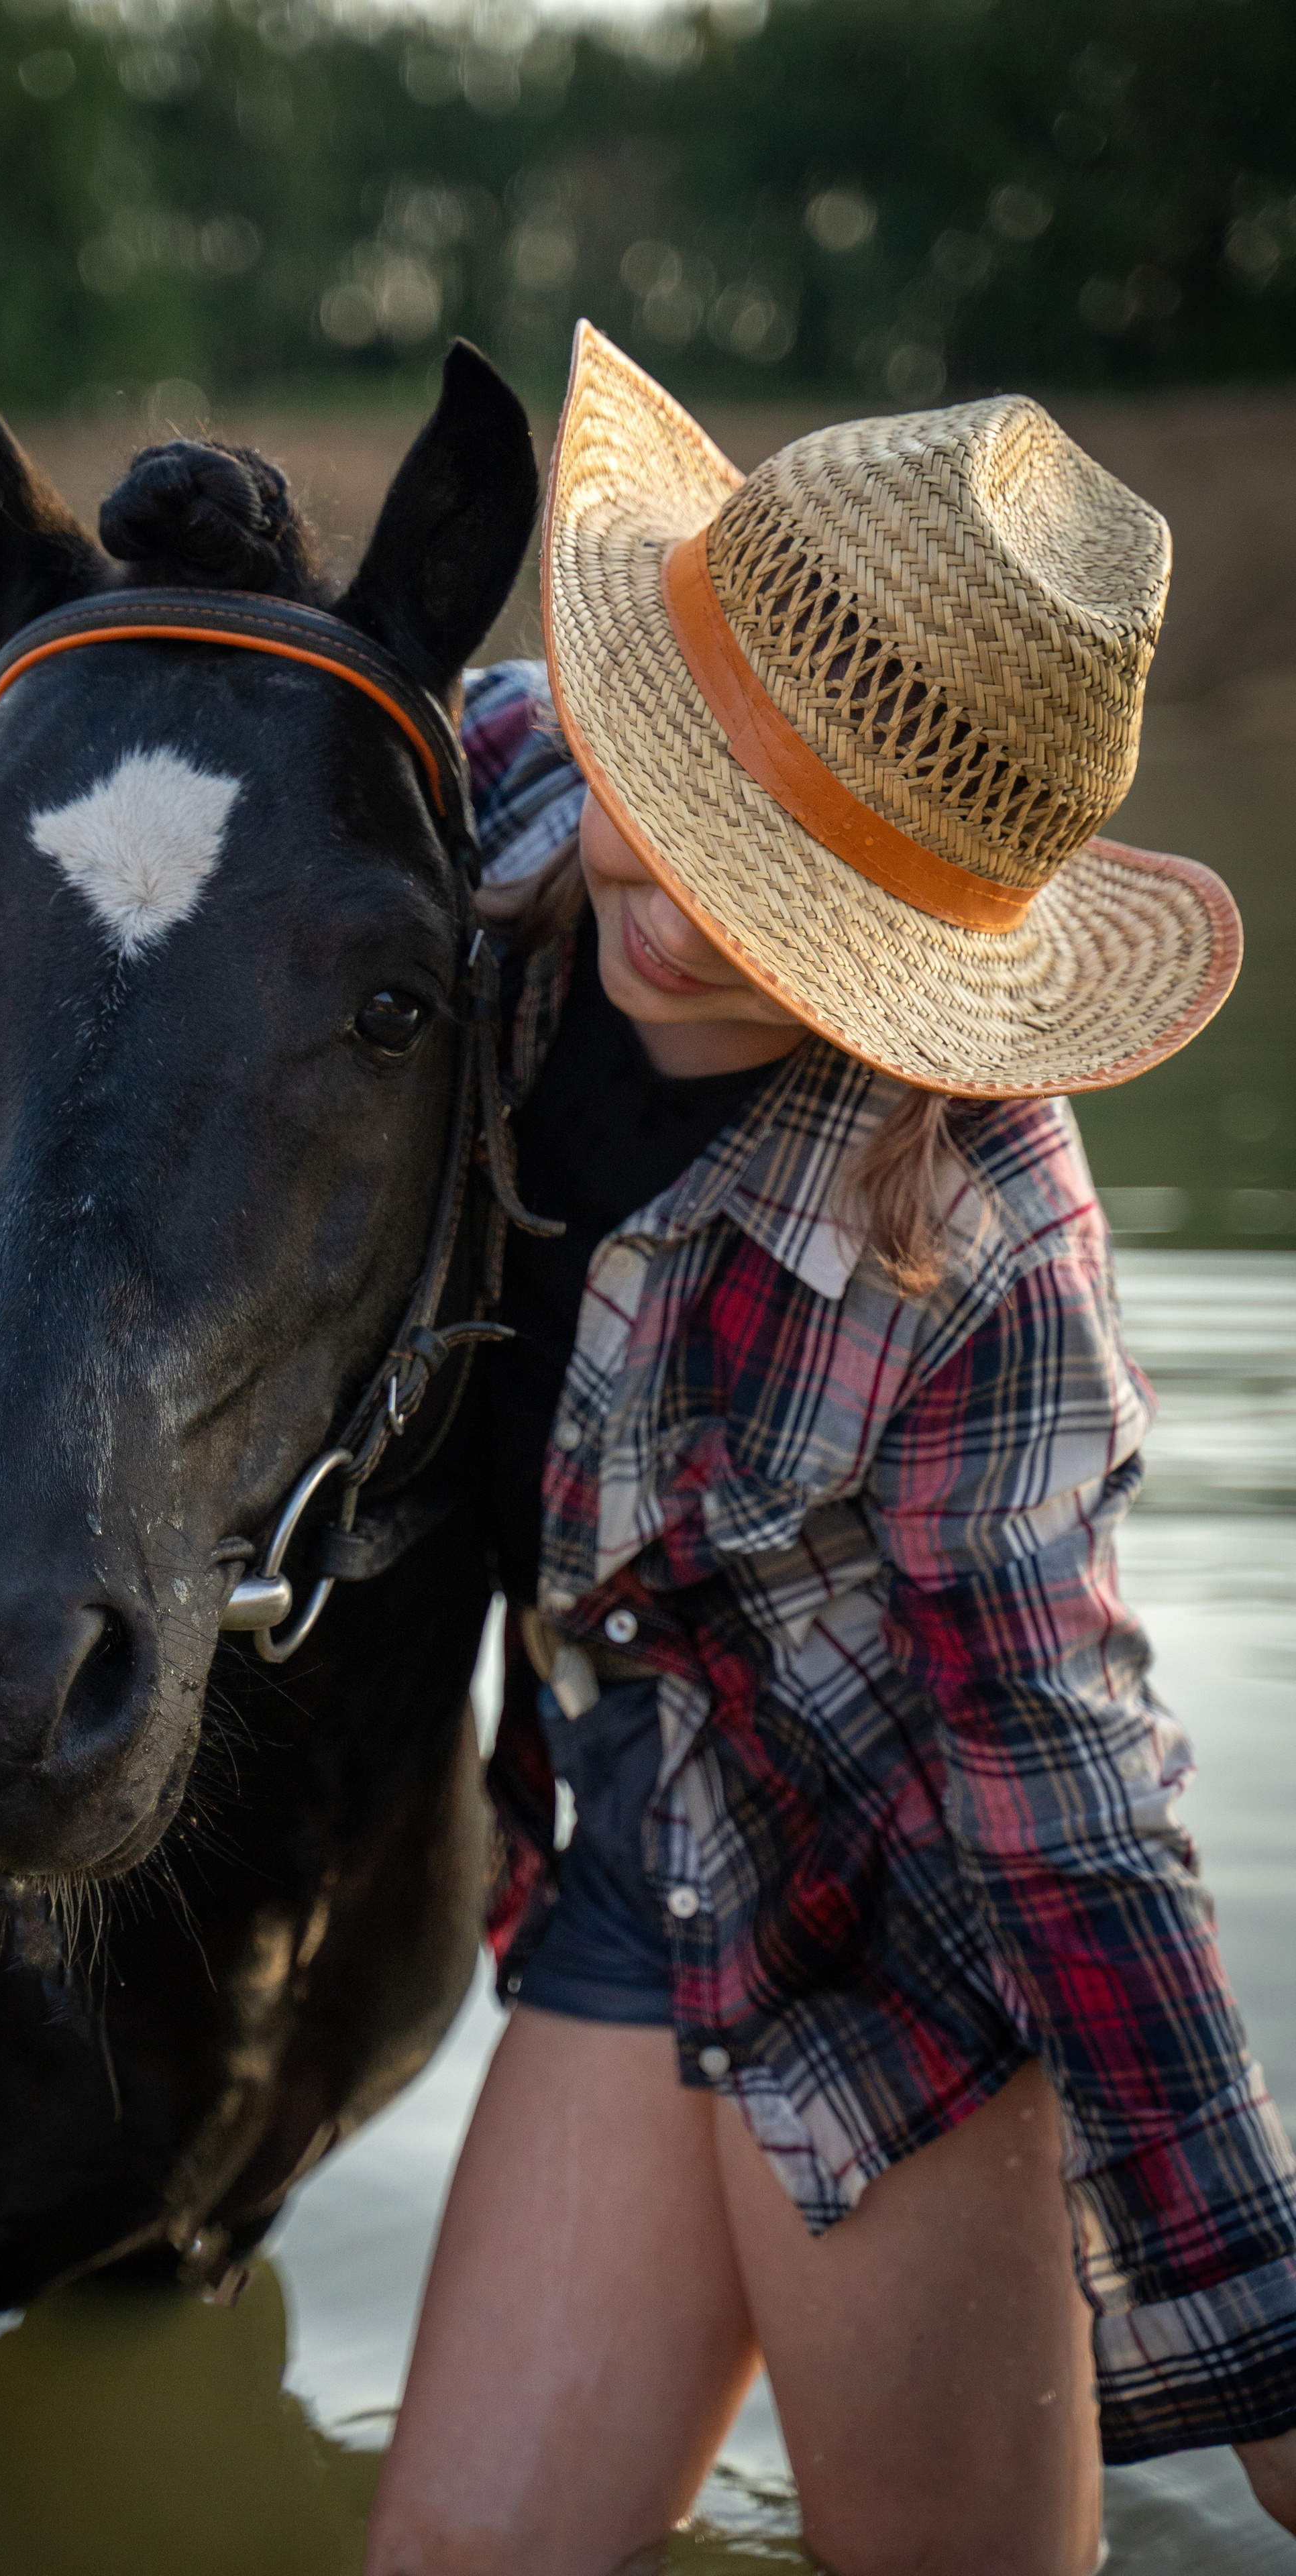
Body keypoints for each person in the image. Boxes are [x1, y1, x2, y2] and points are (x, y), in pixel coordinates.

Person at [362, 325, 1296, 2576]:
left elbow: (1058, 1777)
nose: (671, 922)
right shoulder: (474, 807)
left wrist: (1260, 2336)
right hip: (620, 1838)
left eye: (791, 919)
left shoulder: (982, 1234)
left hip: (897, 1931)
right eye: (657, 816)